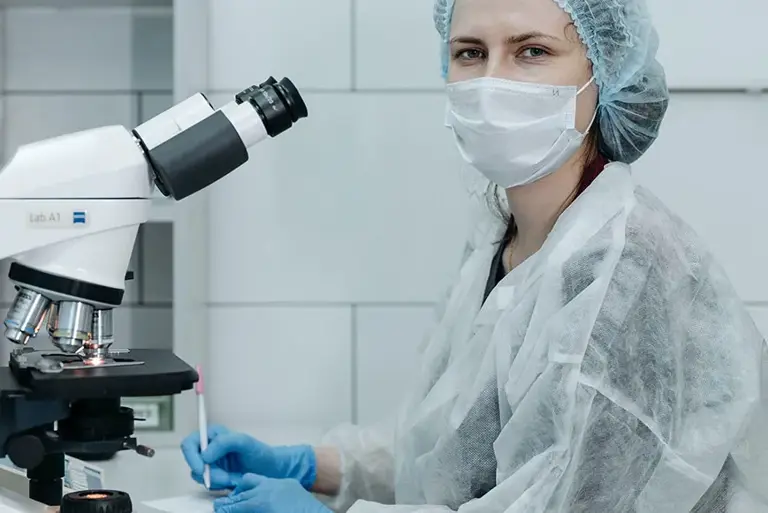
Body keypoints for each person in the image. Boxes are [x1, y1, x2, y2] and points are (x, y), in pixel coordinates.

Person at [181, 0, 768, 511]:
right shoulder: (505, 235)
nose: (491, 82)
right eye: (469, 53)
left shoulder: (623, 273)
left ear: (604, 74)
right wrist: (312, 466)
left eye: (532, 51)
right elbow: (450, 452)